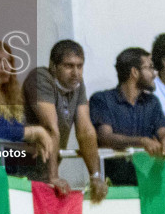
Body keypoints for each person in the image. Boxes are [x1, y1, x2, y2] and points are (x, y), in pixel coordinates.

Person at [25, 39, 108, 202]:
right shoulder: (40, 77)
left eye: (80, 66)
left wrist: (96, 177)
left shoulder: (77, 84)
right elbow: (51, 127)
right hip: (20, 169)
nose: (76, 72)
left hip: (44, 171)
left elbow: (85, 131)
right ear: (53, 66)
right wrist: (54, 176)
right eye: (69, 66)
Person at [89, 47, 165, 186]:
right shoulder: (102, 99)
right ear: (134, 72)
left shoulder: (152, 102)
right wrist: (142, 141)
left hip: (147, 184)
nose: (154, 74)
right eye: (150, 68)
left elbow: (164, 132)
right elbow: (105, 138)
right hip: (111, 186)